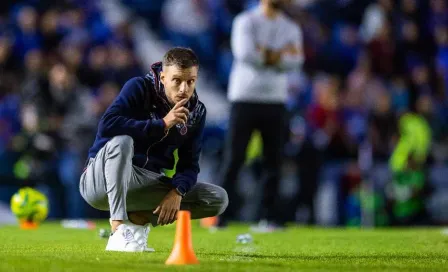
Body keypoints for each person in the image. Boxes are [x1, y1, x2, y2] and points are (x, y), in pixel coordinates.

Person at [79, 47, 228, 252]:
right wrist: (162, 124)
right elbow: (107, 125)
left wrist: (177, 191)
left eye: (190, 81)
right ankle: (118, 229)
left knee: (217, 198)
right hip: (100, 180)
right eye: (177, 80)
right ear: (164, 77)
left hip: (142, 182)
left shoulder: (197, 112)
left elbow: (189, 165)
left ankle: (137, 222)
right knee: (122, 143)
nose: (184, 88)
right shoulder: (139, 87)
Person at [219, 0, 304, 229]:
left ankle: (268, 217)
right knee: (234, 157)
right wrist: (280, 54)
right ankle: (220, 215)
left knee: (273, 161)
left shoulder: (290, 27)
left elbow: (296, 61)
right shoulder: (245, 20)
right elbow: (246, 54)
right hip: (244, 97)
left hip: (275, 100)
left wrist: (265, 53)